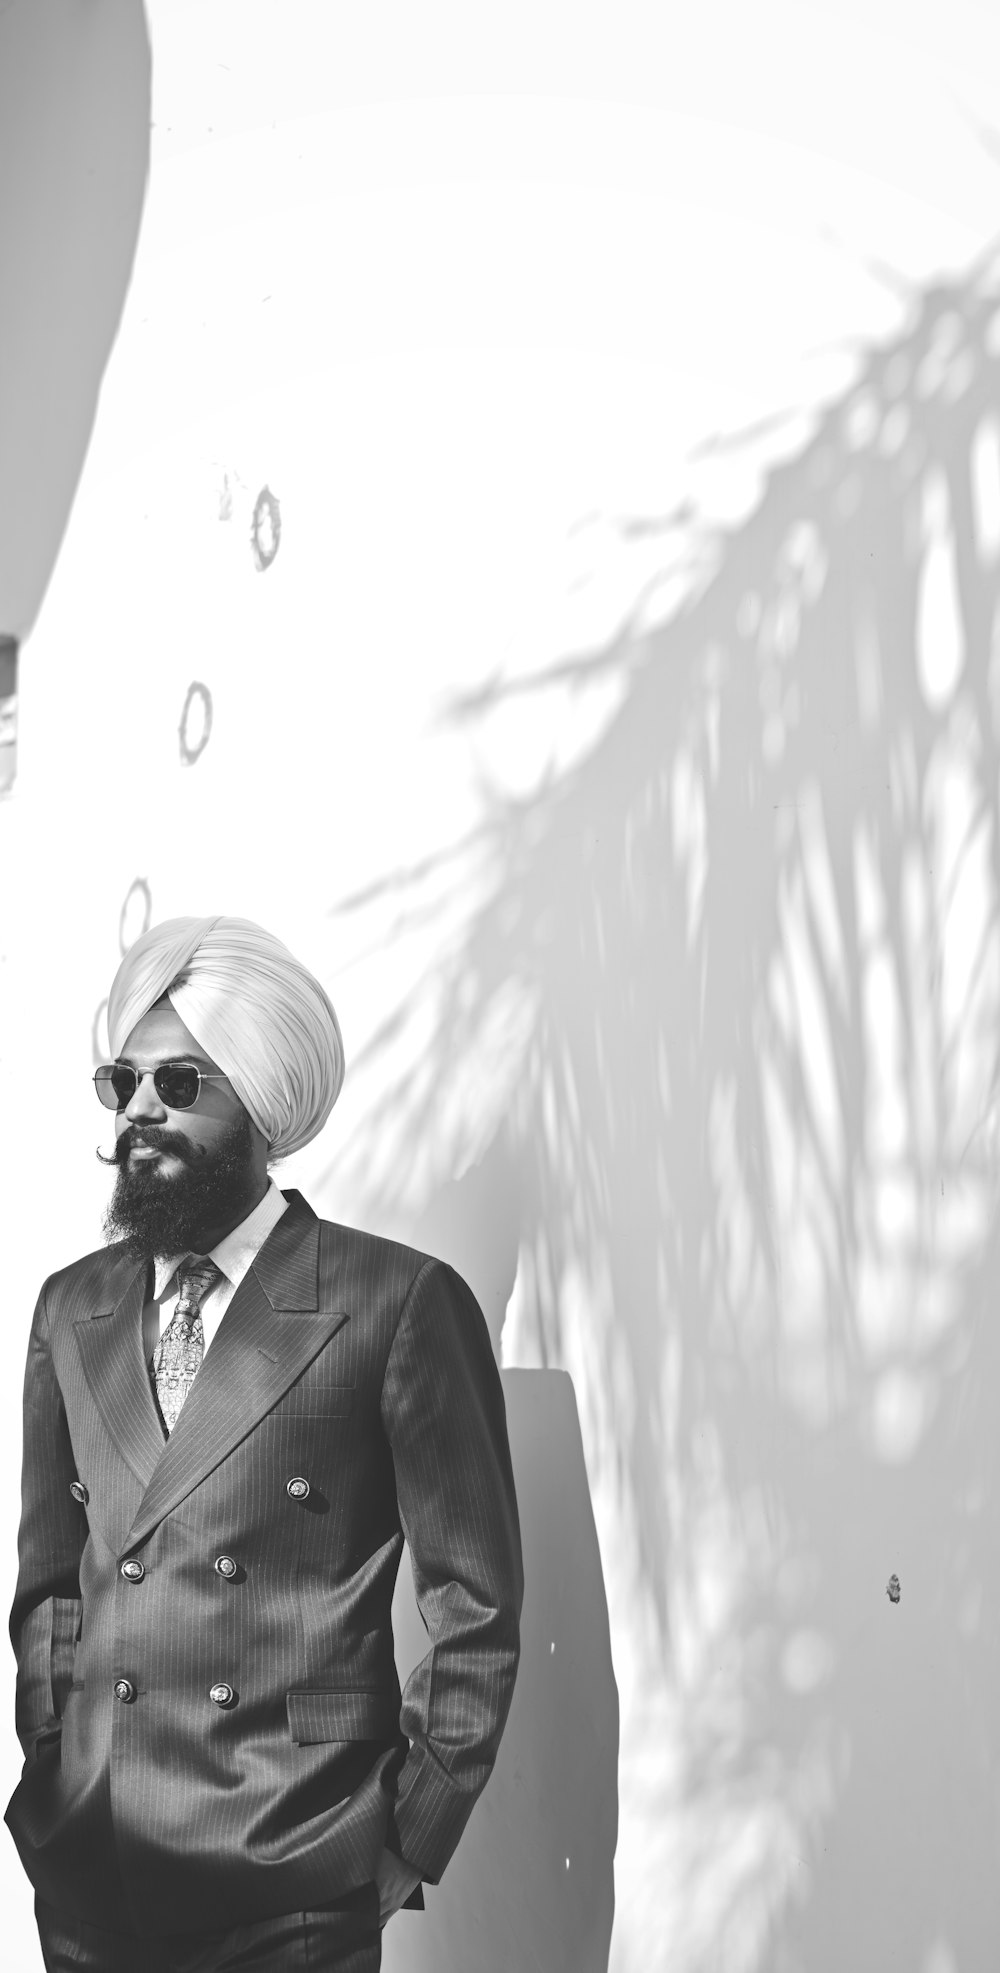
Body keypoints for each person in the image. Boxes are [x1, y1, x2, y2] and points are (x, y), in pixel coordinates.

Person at [6, 915, 523, 1972]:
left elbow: (475, 1609)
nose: (140, 1110)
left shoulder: (394, 1301)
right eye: (124, 1082)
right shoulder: (73, 1306)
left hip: (287, 1871)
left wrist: (402, 1838)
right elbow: (50, 1581)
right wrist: (55, 1758)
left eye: (180, 1082)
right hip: (91, 1873)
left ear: (258, 1097)